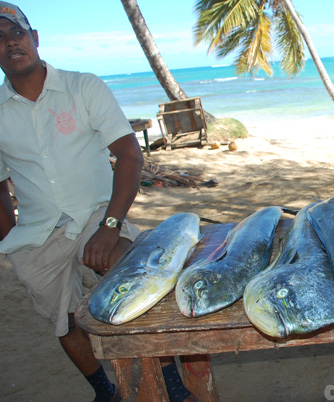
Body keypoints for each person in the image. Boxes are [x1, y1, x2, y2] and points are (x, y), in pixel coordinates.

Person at [0, 3, 198, 402]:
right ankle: (104, 391)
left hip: (98, 215)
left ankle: (173, 388)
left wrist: (109, 227)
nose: (9, 44)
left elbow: (129, 155)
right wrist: (11, 239)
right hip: (37, 233)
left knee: (135, 284)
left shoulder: (83, 86)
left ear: (34, 38)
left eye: (16, 34)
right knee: (66, 322)